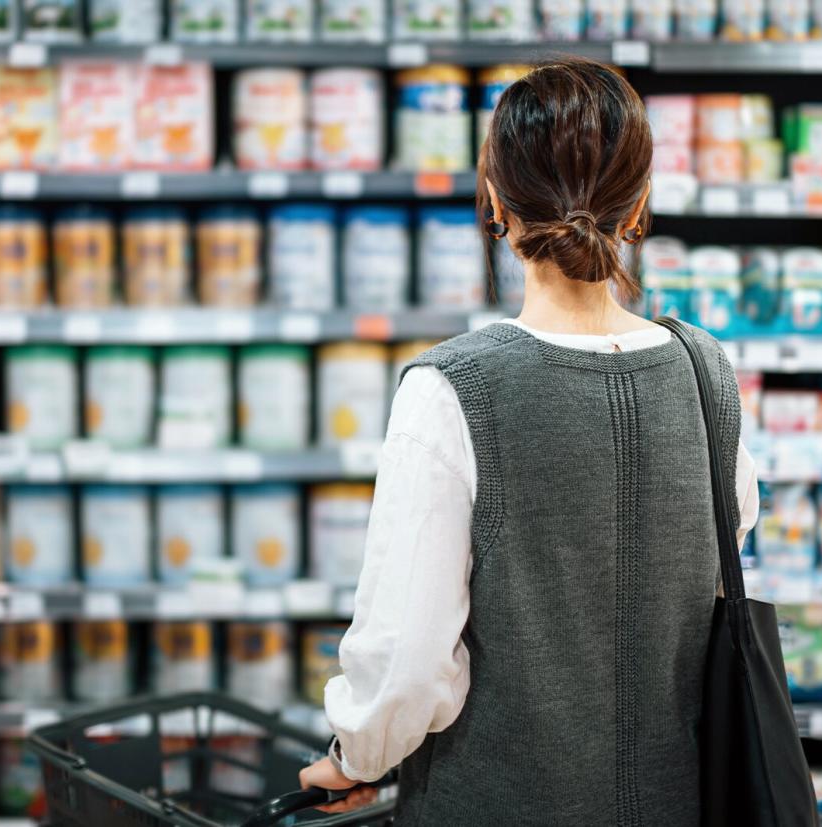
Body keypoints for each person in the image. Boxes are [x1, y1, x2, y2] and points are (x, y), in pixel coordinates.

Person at [299, 57, 759, 825]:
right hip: (677, 801)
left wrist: (356, 755)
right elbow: (715, 567)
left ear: (494, 205)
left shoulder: (452, 388)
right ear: (638, 206)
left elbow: (407, 664)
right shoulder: (706, 371)